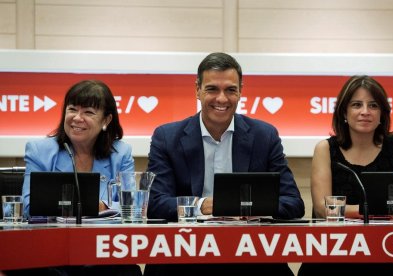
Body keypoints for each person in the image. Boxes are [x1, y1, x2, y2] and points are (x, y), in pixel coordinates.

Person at [144, 52, 305, 276]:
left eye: (230, 90)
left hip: (250, 254)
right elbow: (155, 204)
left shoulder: (264, 136)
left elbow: (294, 203)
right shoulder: (166, 137)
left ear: (241, 91)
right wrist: (203, 206)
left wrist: (246, 206)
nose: (222, 99)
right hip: (185, 255)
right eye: (212, 89)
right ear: (197, 89)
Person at [14, 80, 142, 276]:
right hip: (51, 254)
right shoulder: (40, 151)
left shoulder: (120, 153)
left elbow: (131, 208)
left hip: (102, 253)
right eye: (72, 109)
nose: (77, 118)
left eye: (89, 112)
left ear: (106, 120)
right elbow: (30, 207)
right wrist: (91, 205)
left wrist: (106, 207)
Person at [298, 75, 393, 275]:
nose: (365, 112)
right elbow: (324, 208)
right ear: (344, 111)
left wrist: (351, 210)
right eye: (357, 105)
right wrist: (377, 211)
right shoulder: (325, 149)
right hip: (335, 250)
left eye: (373, 105)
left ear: (382, 114)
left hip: (388, 248)